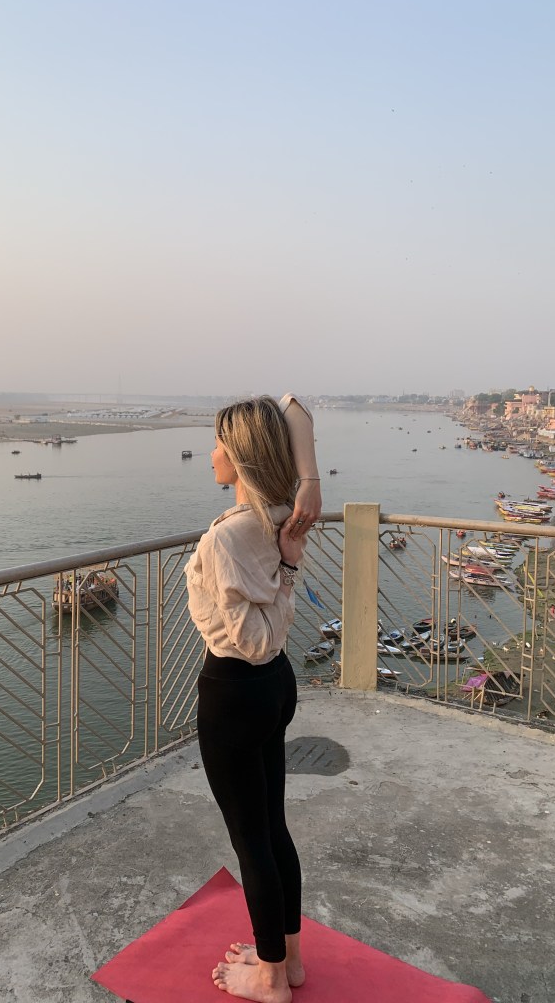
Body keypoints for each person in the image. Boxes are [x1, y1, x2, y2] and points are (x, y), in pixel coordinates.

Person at [185, 394, 320, 1003]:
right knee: (273, 827)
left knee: (251, 841)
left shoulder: (228, 536)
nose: (209, 452)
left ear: (238, 457)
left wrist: (283, 576)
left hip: (235, 692)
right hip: (274, 688)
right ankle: (288, 958)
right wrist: (289, 564)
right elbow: (293, 409)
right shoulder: (278, 516)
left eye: (218, 442)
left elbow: (250, 640)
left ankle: (269, 978)